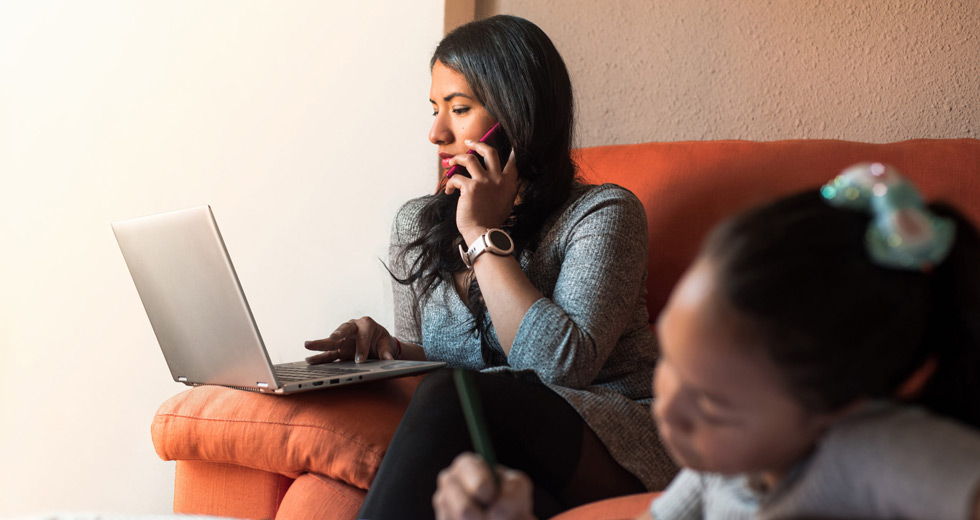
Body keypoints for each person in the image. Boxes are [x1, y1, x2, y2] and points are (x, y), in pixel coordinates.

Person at [434, 163, 980, 519]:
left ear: (843, 406)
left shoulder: (867, 452)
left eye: (715, 403)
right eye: (673, 361)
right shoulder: (718, 472)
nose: (669, 406)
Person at [303, 15, 677, 519]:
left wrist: (481, 237)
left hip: (608, 445)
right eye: (435, 109)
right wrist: (388, 350)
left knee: (454, 396)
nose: (436, 133)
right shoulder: (415, 224)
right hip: (496, 456)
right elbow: (429, 370)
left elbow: (558, 369)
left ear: (514, 118)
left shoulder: (604, 214)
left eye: (458, 109)